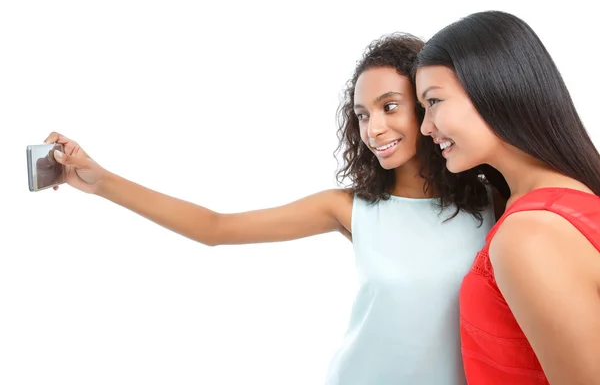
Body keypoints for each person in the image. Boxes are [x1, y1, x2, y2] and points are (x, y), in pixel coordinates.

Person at [44, 33, 496, 384]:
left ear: (426, 107)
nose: (373, 128)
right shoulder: (349, 208)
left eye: (389, 107)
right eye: (360, 114)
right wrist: (102, 182)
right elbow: (215, 227)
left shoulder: (491, 200)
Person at [415, 10, 600, 385]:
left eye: (434, 101)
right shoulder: (556, 204)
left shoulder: (530, 234)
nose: (425, 127)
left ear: (494, 87)